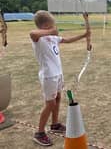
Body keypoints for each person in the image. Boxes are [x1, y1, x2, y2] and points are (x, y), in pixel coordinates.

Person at [30, 10, 90, 146]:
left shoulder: (52, 37)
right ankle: (39, 133)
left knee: (57, 98)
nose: (54, 27)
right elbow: (32, 33)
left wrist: (85, 35)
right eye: (51, 24)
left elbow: (67, 40)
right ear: (45, 25)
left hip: (57, 74)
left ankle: (55, 124)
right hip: (48, 75)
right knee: (50, 103)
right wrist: (51, 31)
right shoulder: (38, 38)